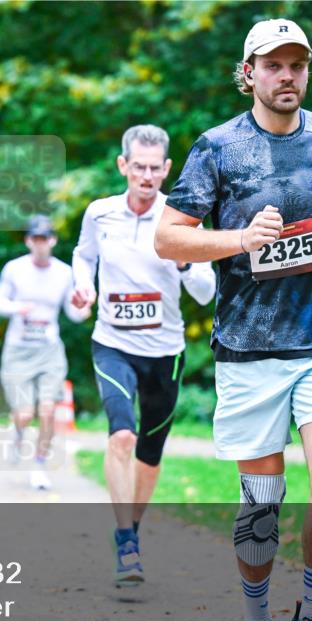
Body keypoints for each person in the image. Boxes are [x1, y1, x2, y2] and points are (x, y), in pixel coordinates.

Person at [154, 19, 312, 621]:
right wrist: (241, 239)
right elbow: (168, 237)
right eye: (273, 65)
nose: (287, 76)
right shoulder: (217, 148)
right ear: (248, 73)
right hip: (249, 349)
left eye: (296, 65)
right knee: (262, 504)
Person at [71, 124, 215, 588]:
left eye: (155, 168)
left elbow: (206, 292)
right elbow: (83, 256)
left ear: (167, 168)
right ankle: (124, 536)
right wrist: (83, 286)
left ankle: (132, 530)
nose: (147, 176)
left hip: (165, 352)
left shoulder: (182, 221)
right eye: (139, 167)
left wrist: (185, 260)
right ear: (123, 166)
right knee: (122, 436)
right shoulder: (100, 214)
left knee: (150, 453)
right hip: (113, 343)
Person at [0, 215, 90, 491]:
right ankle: (17, 433)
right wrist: (18, 308)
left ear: (53, 241)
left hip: (49, 350)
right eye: (35, 239)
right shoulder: (14, 269)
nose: (40, 244)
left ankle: (39, 465)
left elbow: (73, 312)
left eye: (44, 239)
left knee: (48, 410)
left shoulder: (64, 273)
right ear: (28, 241)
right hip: (18, 350)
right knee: (24, 413)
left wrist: (83, 310)